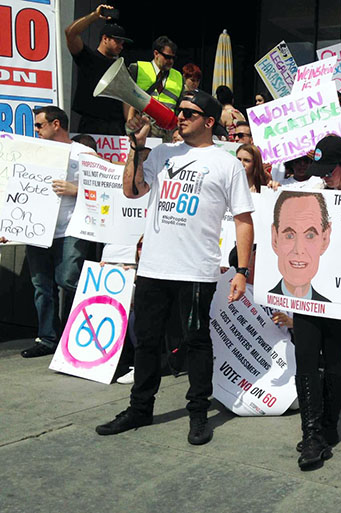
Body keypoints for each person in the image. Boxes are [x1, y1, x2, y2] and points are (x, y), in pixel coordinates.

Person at [95, 90, 255, 446]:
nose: (179, 117)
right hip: (153, 266)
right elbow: (132, 191)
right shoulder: (163, 152)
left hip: (196, 271)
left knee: (196, 342)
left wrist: (242, 271)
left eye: (189, 113)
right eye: (179, 111)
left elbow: (244, 221)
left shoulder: (225, 163)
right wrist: (136, 148)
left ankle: (198, 412)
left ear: (210, 122)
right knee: (147, 342)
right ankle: (140, 408)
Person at [280, 135, 341, 470]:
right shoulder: (315, 192)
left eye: (329, 170)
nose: (324, 176)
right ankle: (312, 433)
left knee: (336, 361)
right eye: (321, 169)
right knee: (307, 358)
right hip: (308, 291)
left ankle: (329, 425)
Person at [17, 107, 94, 358]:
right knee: (41, 285)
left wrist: (77, 189)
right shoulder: (32, 151)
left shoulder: (84, 153)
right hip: (37, 228)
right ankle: (47, 338)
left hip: (70, 228)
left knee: (69, 279)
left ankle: (74, 334)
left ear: (56, 124)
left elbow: (106, 189)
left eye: (40, 125)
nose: (36, 131)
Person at [65, 5, 131, 135]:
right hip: (91, 124)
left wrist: (129, 123)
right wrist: (95, 15)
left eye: (123, 43)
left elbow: (126, 98)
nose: (121, 46)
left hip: (115, 127)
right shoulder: (88, 57)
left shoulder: (121, 67)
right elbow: (70, 33)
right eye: (117, 41)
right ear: (105, 39)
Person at [268, 191, 331, 301]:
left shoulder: (332, 311)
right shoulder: (259, 304)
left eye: (310, 235)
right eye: (289, 236)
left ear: (324, 239)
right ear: (275, 238)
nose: (299, 249)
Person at [127, 36, 183, 141]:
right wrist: (130, 123)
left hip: (167, 134)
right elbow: (126, 99)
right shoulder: (138, 68)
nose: (170, 61)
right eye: (167, 57)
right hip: (142, 129)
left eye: (173, 58)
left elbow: (181, 107)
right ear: (156, 53)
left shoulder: (179, 77)